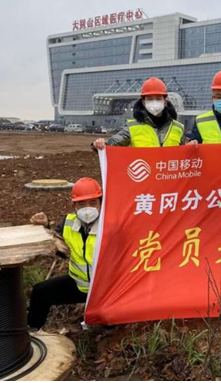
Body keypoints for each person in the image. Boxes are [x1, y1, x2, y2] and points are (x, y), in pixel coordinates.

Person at [27, 177, 102, 329]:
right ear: (74, 205)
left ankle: (110, 330)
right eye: (82, 204)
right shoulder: (69, 222)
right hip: (79, 286)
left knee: (110, 321)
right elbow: (58, 246)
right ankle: (32, 331)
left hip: (106, 291)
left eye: (93, 202)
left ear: (101, 202)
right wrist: (45, 225)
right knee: (41, 292)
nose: (87, 208)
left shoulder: (111, 225)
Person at [93, 77, 185, 150]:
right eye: (150, 99)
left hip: (167, 168)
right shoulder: (132, 127)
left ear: (165, 101)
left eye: (158, 99)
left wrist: (191, 146)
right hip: (144, 168)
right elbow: (113, 143)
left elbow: (184, 152)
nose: (154, 102)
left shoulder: (178, 127)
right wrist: (101, 144)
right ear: (144, 102)